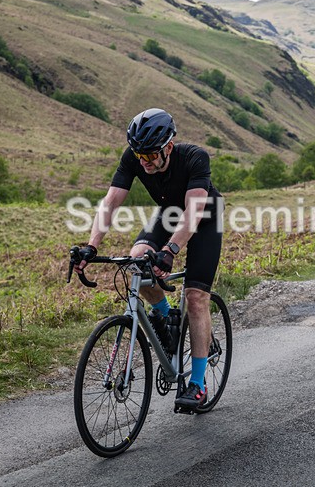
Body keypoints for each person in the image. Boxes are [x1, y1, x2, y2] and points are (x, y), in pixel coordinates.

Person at [74, 108, 223, 410]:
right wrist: (91, 245)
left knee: (195, 298)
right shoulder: (135, 158)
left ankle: (197, 383)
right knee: (136, 261)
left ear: (168, 146)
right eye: (141, 156)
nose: (146, 163)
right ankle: (165, 316)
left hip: (205, 219)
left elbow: (193, 213)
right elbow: (111, 201)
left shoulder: (195, 158)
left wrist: (170, 251)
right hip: (169, 214)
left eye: (152, 156)